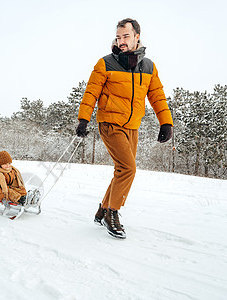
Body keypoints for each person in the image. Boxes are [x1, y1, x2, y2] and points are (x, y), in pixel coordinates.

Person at [76, 18, 173, 239]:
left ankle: (102, 210)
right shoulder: (106, 63)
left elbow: (157, 95)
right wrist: (83, 119)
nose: (121, 41)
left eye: (126, 36)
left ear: (137, 37)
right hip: (110, 123)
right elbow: (91, 92)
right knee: (128, 169)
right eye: (119, 37)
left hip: (133, 126)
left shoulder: (148, 66)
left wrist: (166, 122)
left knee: (122, 170)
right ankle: (112, 212)